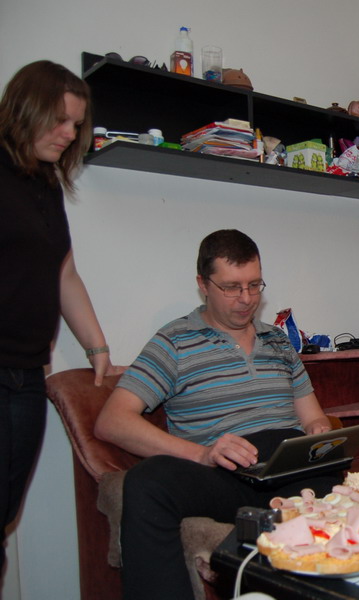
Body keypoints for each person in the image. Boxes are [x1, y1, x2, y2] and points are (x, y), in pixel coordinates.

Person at [94, 229, 339, 600]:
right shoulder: (175, 340)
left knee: (339, 481)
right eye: (231, 287)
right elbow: (112, 421)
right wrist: (202, 454)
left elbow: (313, 419)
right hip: (223, 472)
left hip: (287, 467)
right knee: (146, 482)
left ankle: (267, 545)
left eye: (254, 285)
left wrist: (320, 432)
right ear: (202, 285)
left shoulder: (278, 341)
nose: (246, 299)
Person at [0, 60, 120, 577]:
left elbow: (64, 272)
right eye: (60, 121)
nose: (70, 134)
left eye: (76, 124)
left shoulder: (45, 183)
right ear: (25, 111)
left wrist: (97, 347)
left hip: (28, 375)